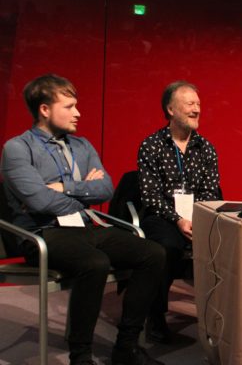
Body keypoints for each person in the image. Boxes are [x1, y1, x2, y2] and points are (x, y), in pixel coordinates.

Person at [1, 74, 165, 365]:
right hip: (41, 233)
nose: (78, 113)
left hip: (84, 225)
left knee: (152, 253)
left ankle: (126, 348)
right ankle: (81, 355)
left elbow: (106, 188)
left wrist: (65, 188)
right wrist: (84, 192)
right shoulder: (17, 148)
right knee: (94, 263)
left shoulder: (82, 145)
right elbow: (39, 201)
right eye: (70, 106)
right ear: (45, 109)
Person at [137, 81, 222, 344]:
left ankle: (218, 317)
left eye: (198, 104)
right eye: (190, 104)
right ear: (171, 109)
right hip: (163, 216)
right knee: (167, 249)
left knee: (224, 244)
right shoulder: (151, 145)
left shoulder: (206, 148)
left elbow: (210, 192)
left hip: (199, 216)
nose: (196, 109)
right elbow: (150, 196)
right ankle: (156, 316)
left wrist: (198, 219)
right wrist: (178, 220)